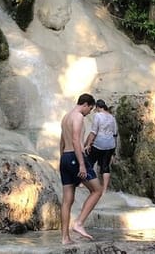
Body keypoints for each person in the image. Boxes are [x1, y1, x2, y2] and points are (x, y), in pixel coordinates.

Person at [59, 93, 103, 244]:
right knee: (97, 190)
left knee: (67, 200)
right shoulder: (78, 117)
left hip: (65, 157)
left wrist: (62, 161)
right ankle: (79, 223)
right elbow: (75, 140)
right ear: (85, 104)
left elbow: (62, 141)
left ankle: (65, 238)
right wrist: (82, 164)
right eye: (89, 109)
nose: (89, 112)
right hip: (75, 158)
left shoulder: (66, 117)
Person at [84, 99, 118, 194]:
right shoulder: (112, 117)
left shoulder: (98, 116)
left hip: (99, 144)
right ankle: (104, 189)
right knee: (105, 166)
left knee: (89, 162)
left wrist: (88, 144)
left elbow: (94, 132)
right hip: (110, 144)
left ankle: (87, 184)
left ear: (98, 107)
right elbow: (115, 133)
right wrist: (114, 148)